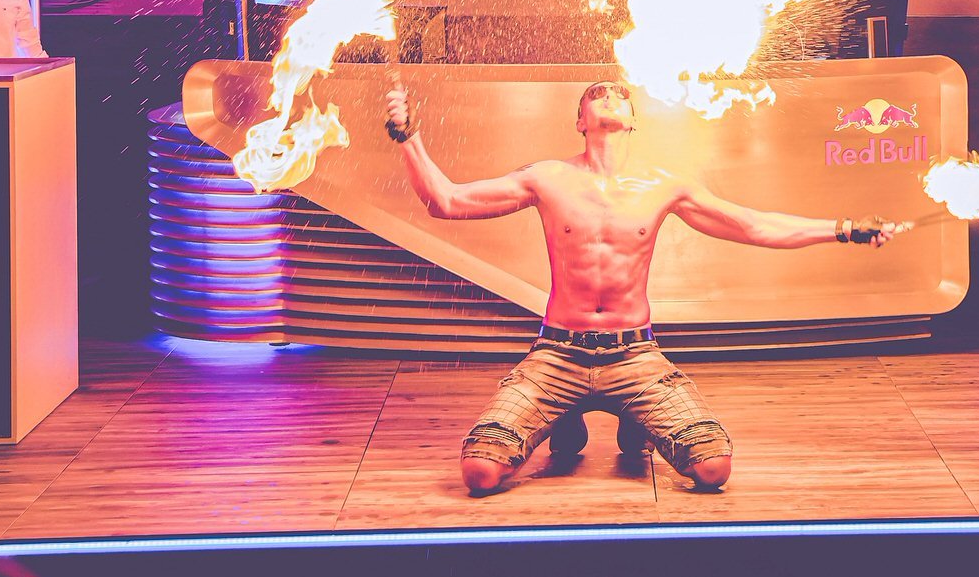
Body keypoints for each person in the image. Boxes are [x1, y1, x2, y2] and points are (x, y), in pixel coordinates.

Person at [385, 77, 903, 495]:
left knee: (713, 469)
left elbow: (755, 226)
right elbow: (445, 202)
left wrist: (844, 228)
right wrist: (409, 137)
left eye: (619, 94)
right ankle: (568, 412)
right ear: (579, 122)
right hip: (557, 355)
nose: (609, 95)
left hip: (634, 356)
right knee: (479, 474)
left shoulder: (664, 185)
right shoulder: (546, 177)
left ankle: (628, 414)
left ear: (633, 120)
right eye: (596, 94)